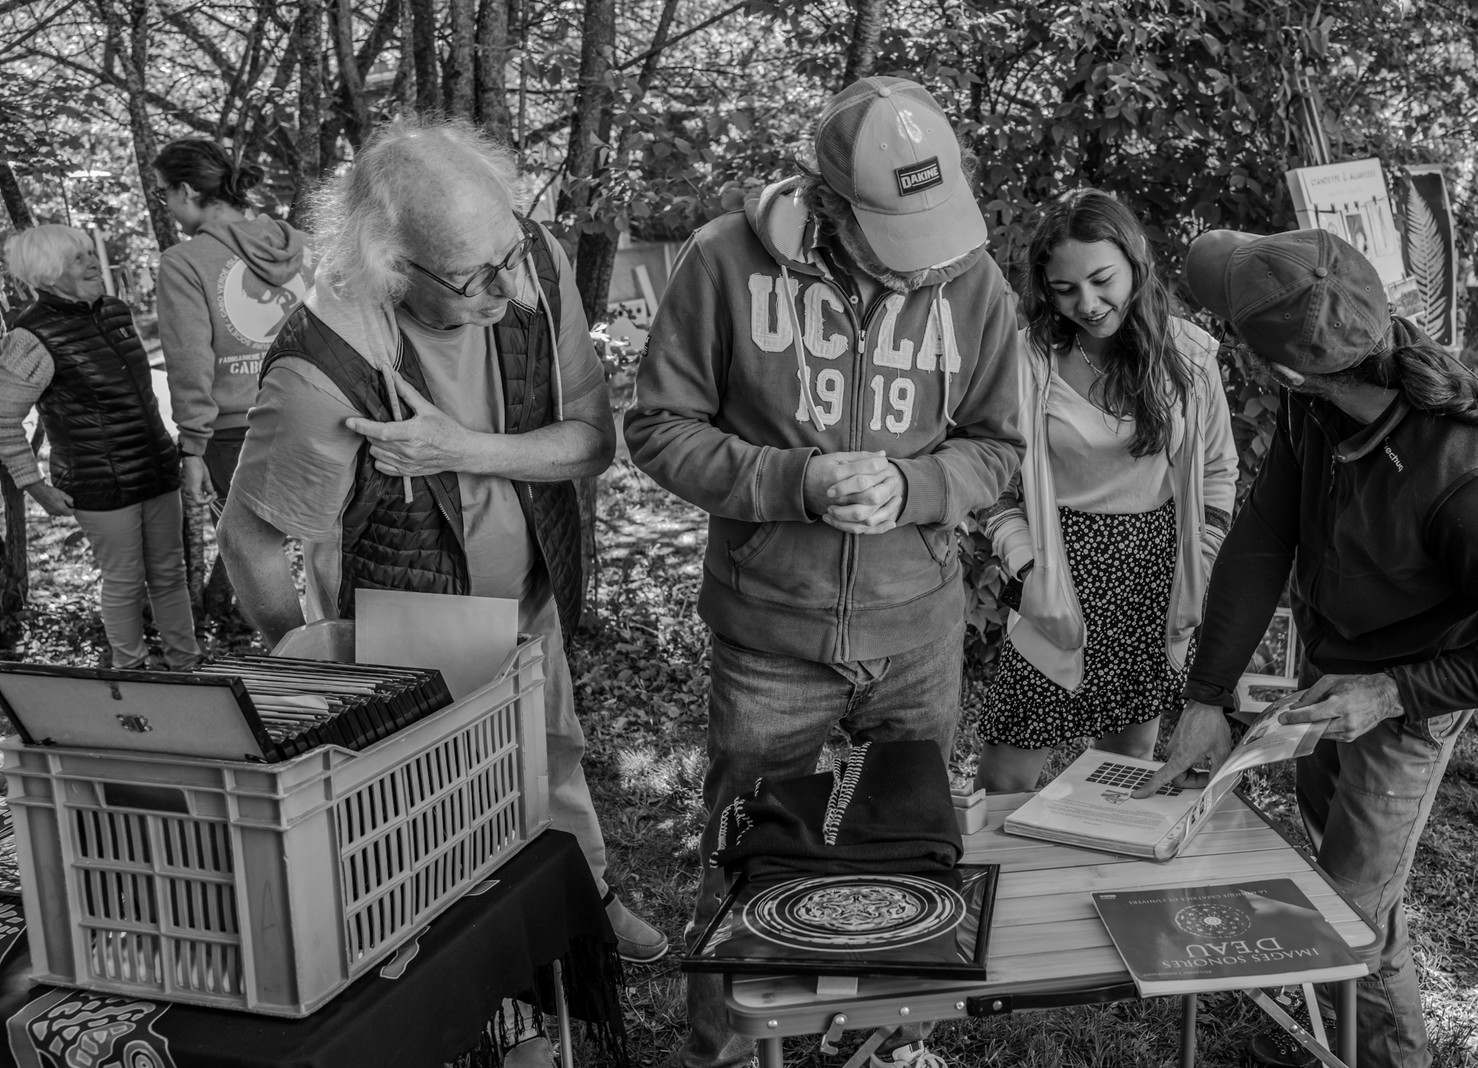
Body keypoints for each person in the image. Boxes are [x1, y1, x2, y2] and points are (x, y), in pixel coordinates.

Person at [625, 75, 1024, 1068]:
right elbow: (658, 428)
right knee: (744, 855)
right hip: (772, 630)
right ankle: (728, 1044)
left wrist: (920, 487)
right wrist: (794, 482)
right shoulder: (722, 262)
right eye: (894, 226)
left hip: (917, 625)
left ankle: (892, 1043)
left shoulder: (970, 279)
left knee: (920, 852)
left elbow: (1001, 443)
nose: (918, 256)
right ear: (832, 200)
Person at [214, 115, 666, 963]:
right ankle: (493, 975)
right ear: (390, 262)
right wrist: (313, 657)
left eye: (509, 259)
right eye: (472, 279)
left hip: (528, 594)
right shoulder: (322, 366)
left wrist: (460, 449)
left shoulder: (526, 259)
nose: (503, 293)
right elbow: (247, 538)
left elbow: (593, 444)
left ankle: (586, 897)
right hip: (404, 633)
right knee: (440, 819)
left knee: (553, 750)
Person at [1136, 228, 1478, 1068]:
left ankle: (1388, 1054)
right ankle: (1342, 1033)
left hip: (1416, 692)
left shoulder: (1470, 483)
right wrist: (1205, 698)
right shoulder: (1322, 395)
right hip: (1332, 667)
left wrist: (1388, 696)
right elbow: (1263, 538)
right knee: (1344, 887)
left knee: (1347, 915)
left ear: (1290, 369)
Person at [973, 189, 1237, 792]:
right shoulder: (1026, 362)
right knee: (1007, 777)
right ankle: (999, 884)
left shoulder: (1190, 356)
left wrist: (1202, 554)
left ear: (1135, 259)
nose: (1087, 304)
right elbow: (994, 481)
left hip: (1154, 574)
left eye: (1101, 280)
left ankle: (1092, 881)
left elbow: (1219, 468)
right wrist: (1024, 573)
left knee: (1122, 774)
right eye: (1065, 290)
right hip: (1058, 568)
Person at [0, 224, 201, 671]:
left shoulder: (115, 311)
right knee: (126, 582)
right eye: (78, 258)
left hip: (156, 470)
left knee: (171, 576)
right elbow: (3, 420)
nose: (94, 262)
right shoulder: (31, 337)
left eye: (92, 252)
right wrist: (35, 487)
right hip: (98, 485)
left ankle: (190, 669)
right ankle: (130, 674)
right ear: (48, 275)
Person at [153, 138, 312, 523]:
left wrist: (192, 448)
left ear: (186, 191)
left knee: (254, 554)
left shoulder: (183, 262)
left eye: (163, 194)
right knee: (329, 549)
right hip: (321, 418)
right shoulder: (307, 249)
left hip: (236, 434)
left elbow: (189, 360)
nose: (167, 206)